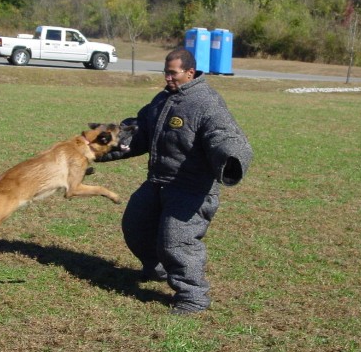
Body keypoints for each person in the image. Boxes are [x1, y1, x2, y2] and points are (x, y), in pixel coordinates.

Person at [100, 48, 253, 314]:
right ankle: (157, 269)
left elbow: (224, 135)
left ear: (190, 72)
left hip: (192, 189)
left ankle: (193, 297)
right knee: (135, 226)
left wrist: (230, 158)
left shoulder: (206, 103)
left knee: (177, 243)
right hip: (158, 181)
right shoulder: (162, 100)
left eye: (173, 73)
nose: (167, 78)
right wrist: (100, 146)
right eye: (166, 72)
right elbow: (140, 132)